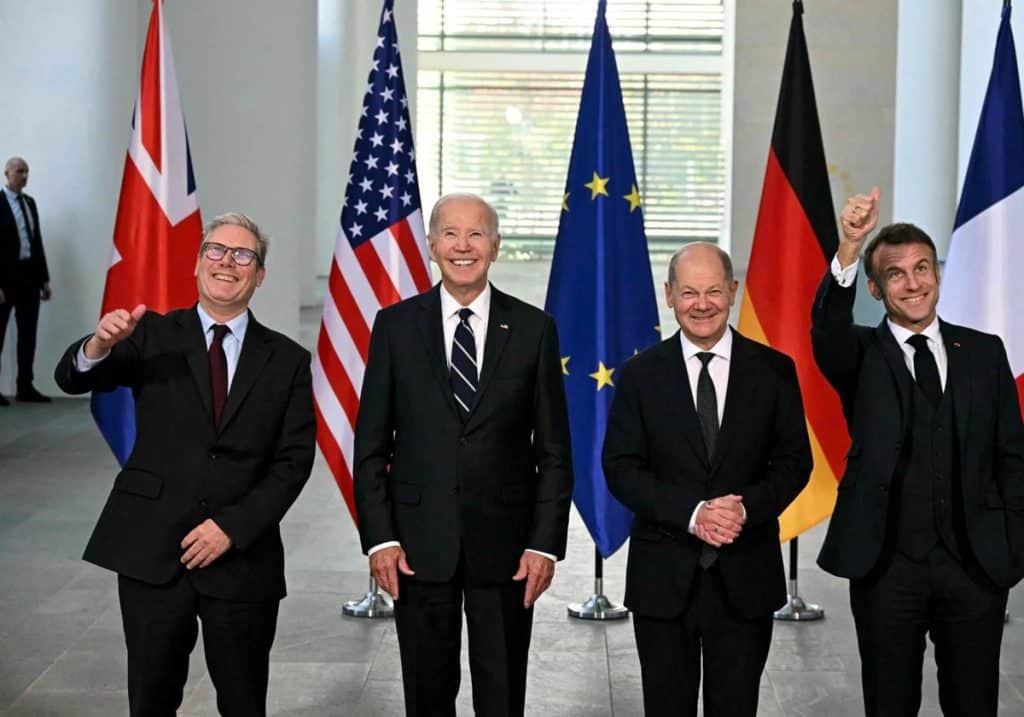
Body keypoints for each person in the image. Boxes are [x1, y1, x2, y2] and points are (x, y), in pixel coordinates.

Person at [54, 212, 316, 717]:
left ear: (259, 275)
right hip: (153, 551)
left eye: (244, 255)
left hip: (241, 560)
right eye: (216, 250)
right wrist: (98, 345)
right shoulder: (150, 334)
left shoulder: (287, 360)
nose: (227, 262)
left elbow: (293, 462)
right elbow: (72, 378)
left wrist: (231, 528)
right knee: (151, 699)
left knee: (243, 702)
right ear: (198, 264)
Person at [354, 193, 573, 717]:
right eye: (450, 234)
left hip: (506, 550)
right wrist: (381, 539)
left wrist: (544, 546)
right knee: (427, 697)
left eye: (476, 234)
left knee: (501, 697)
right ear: (431, 246)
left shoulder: (533, 329)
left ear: (495, 247)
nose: (463, 246)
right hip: (416, 547)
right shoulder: (395, 326)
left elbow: (556, 452)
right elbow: (370, 447)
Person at [812, 187, 1024, 716]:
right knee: (889, 704)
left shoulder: (983, 351)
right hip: (886, 567)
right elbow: (826, 329)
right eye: (897, 274)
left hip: (975, 567)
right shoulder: (858, 353)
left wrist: (1012, 542)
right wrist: (850, 246)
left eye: (922, 269)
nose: (914, 283)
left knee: (974, 703)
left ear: (937, 274)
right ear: (877, 289)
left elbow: (1012, 454)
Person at [603, 242, 812, 717]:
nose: (702, 304)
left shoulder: (774, 371)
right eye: (689, 292)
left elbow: (795, 462)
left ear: (733, 291)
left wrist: (745, 509)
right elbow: (621, 467)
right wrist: (693, 515)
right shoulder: (640, 375)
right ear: (669, 294)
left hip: (746, 578)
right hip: (663, 578)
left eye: (714, 291)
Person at [0, 156, 52, 404]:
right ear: (7, 173)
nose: (24, 175)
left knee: (28, 334)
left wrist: (44, 279)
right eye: (19, 171)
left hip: (30, 278)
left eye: (27, 171)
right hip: (5, 280)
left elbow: (36, 241)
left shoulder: (30, 203)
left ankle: (25, 386)